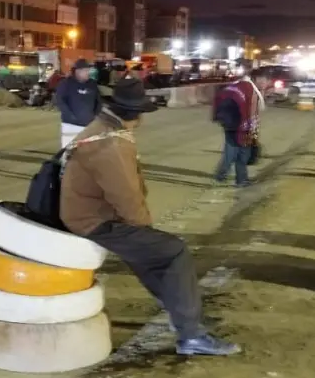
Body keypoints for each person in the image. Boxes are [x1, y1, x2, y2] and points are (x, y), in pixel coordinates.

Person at [59, 77, 240, 357]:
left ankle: (181, 315)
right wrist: (146, 231)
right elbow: (128, 199)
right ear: (137, 115)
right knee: (173, 251)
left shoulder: (101, 129)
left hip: (89, 213)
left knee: (151, 256)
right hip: (95, 221)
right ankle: (190, 335)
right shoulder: (113, 145)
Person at [55, 59, 103, 148]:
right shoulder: (66, 84)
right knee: (68, 152)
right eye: (85, 71)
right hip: (70, 126)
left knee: (87, 153)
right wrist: (70, 116)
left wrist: (95, 115)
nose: (88, 73)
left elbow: (98, 101)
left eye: (88, 70)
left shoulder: (92, 84)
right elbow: (60, 101)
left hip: (88, 125)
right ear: (77, 71)